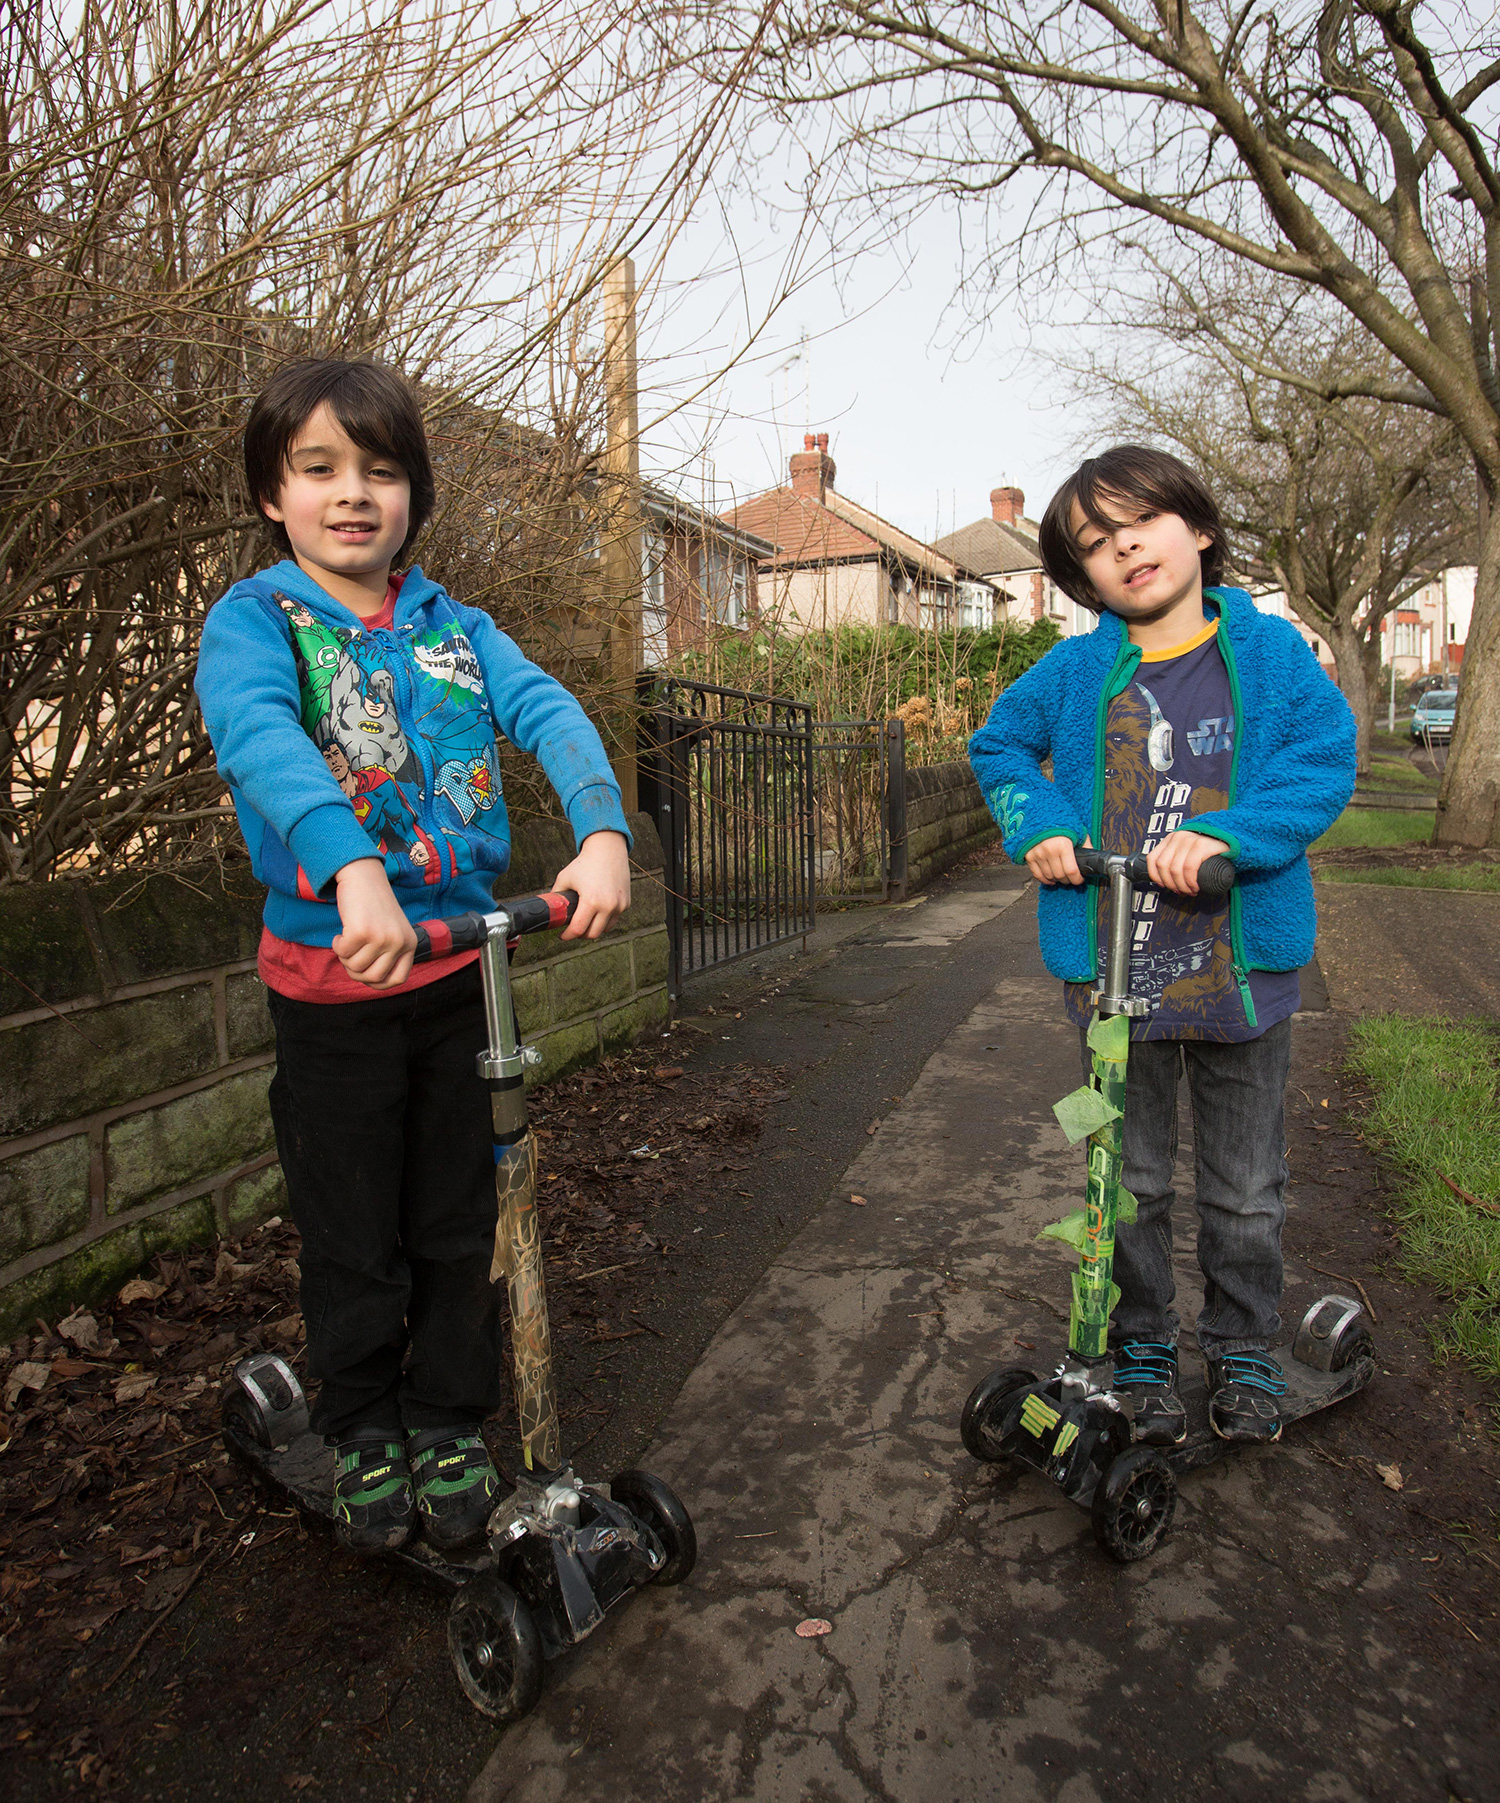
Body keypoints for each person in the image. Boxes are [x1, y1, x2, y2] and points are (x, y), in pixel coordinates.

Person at [196, 359, 633, 1552]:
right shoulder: (256, 623)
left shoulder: (457, 629)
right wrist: (351, 868)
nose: (353, 493)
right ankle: (363, 1426)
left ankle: (444, 1417)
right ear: (273, 494)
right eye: (320, 469)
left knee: (457, 1218)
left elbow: (547, 709)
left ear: (413, 498)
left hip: (457, 978)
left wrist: (600, 829)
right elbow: (260, 739)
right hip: (333, 987)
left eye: (381, 472)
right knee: (354, 1231)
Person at [969, 445, 1356, 1444]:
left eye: (1143, 520)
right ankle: (1140, 1341)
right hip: (1114, 984)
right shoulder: (1076, 670)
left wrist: (1232, 835)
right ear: (1082, 576)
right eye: (1097, 542)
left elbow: (1322, 761)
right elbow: (998, 745)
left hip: (1239, 977)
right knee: (1125, 1182)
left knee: (1244, 1189)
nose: (1126, 546)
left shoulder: (1270, 655)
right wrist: (1040, 824)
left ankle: (1241, 1342)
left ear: (1200, 528)